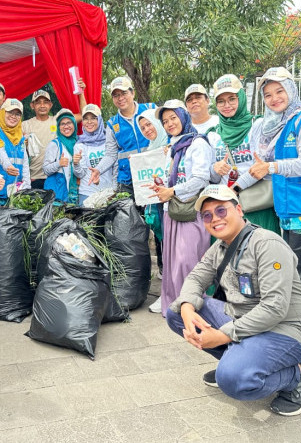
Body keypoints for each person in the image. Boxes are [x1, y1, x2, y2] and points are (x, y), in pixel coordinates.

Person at [166, 184, 301, 416]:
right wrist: (186, 307)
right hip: (244, 320)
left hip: (285, 329)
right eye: (207, 215)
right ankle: (237, 359)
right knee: (176, 313)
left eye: (221, 210)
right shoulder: (220, 247)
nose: (214, 218)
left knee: (234, 381)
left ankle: (295, 375)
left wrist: (222, 335)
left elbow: (274, 307)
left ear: (239, 210)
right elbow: (195, 278)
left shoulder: (266, 243)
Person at [249, 67, 301, 344]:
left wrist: (271, 166)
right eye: (268, 94)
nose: (274, 98)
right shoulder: (275, 125)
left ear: (291, 90)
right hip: (288, 206)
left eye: (279, 91)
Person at [148, 101, 214, 315]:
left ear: (183, 117)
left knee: (189, 259)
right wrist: (162, 183)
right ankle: (173, 301)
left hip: (191, 210)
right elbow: (173, 177)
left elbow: (201, 178)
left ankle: (191, 303)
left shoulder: (198, 144)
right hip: (172, 210)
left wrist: (173, 190)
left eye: (173, 118)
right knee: (171, 260)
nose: (169, 124)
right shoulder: (174, 146)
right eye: (165, 121)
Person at [209, 74, 280, 234]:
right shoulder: (213, 134)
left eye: (232, 99)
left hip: (257, 205)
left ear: (241, 98)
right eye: (221, 101)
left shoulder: (258, 125)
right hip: (226, 208)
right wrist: (215, 168)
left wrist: (234, 188)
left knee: (261, 253)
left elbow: (260, 168)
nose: (227, 105)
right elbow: (213, 178)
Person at [91, 76, 155, 196]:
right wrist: (98, 169)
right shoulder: (112, 124)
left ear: (133, 93)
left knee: (155, 213)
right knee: (129, 214)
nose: (120, 98)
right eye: (116, 95)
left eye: (124, 93)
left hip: (154, 173)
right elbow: (111, 154)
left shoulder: (150, 109)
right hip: (128, 181)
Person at [137, 108, 168, 274]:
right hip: (156, 203)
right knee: (160, 236)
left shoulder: (171, 143)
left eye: (149, 124)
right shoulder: (148, 151)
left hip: (174, 202)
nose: (147, 130)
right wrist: (137, 163)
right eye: (142, 128)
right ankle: (164, 270)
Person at [0, 99, 30, 204]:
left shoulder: (20, 138)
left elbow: (25, 165)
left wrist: (27, 189)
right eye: (10, 112)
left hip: (13, 196)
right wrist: (7, 166)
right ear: (3, 112)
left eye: (17, 114)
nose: (13, 116)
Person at [73, 104, 114, 205]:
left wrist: (115, 190)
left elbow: (115, 167)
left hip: (108, 193)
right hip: (87, 194)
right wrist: (76, 164)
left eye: (93, 118)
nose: (89, 122)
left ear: (99, 120)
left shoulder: (109, 141)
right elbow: (80, 174)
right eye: (86, 119)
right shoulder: (79, 145)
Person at [22, 89, 57, 190]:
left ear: (50, 105)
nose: (42, 105)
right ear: (32, 105)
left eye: (45, 102)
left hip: (54, 176)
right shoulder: (25, 125)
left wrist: (80, 93)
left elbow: (81, 115)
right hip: (34, 177)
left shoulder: (57, 121)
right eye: (38, 102)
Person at [43, 109, 79, 204]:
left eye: (69, 123)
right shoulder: (54, 144)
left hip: (75, 194)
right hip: (57, 195)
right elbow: (46, 169)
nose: (66, 126)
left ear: (74, 124)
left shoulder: (79, 143)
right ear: (58, 127)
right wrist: (59, 163)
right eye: (62, 124)